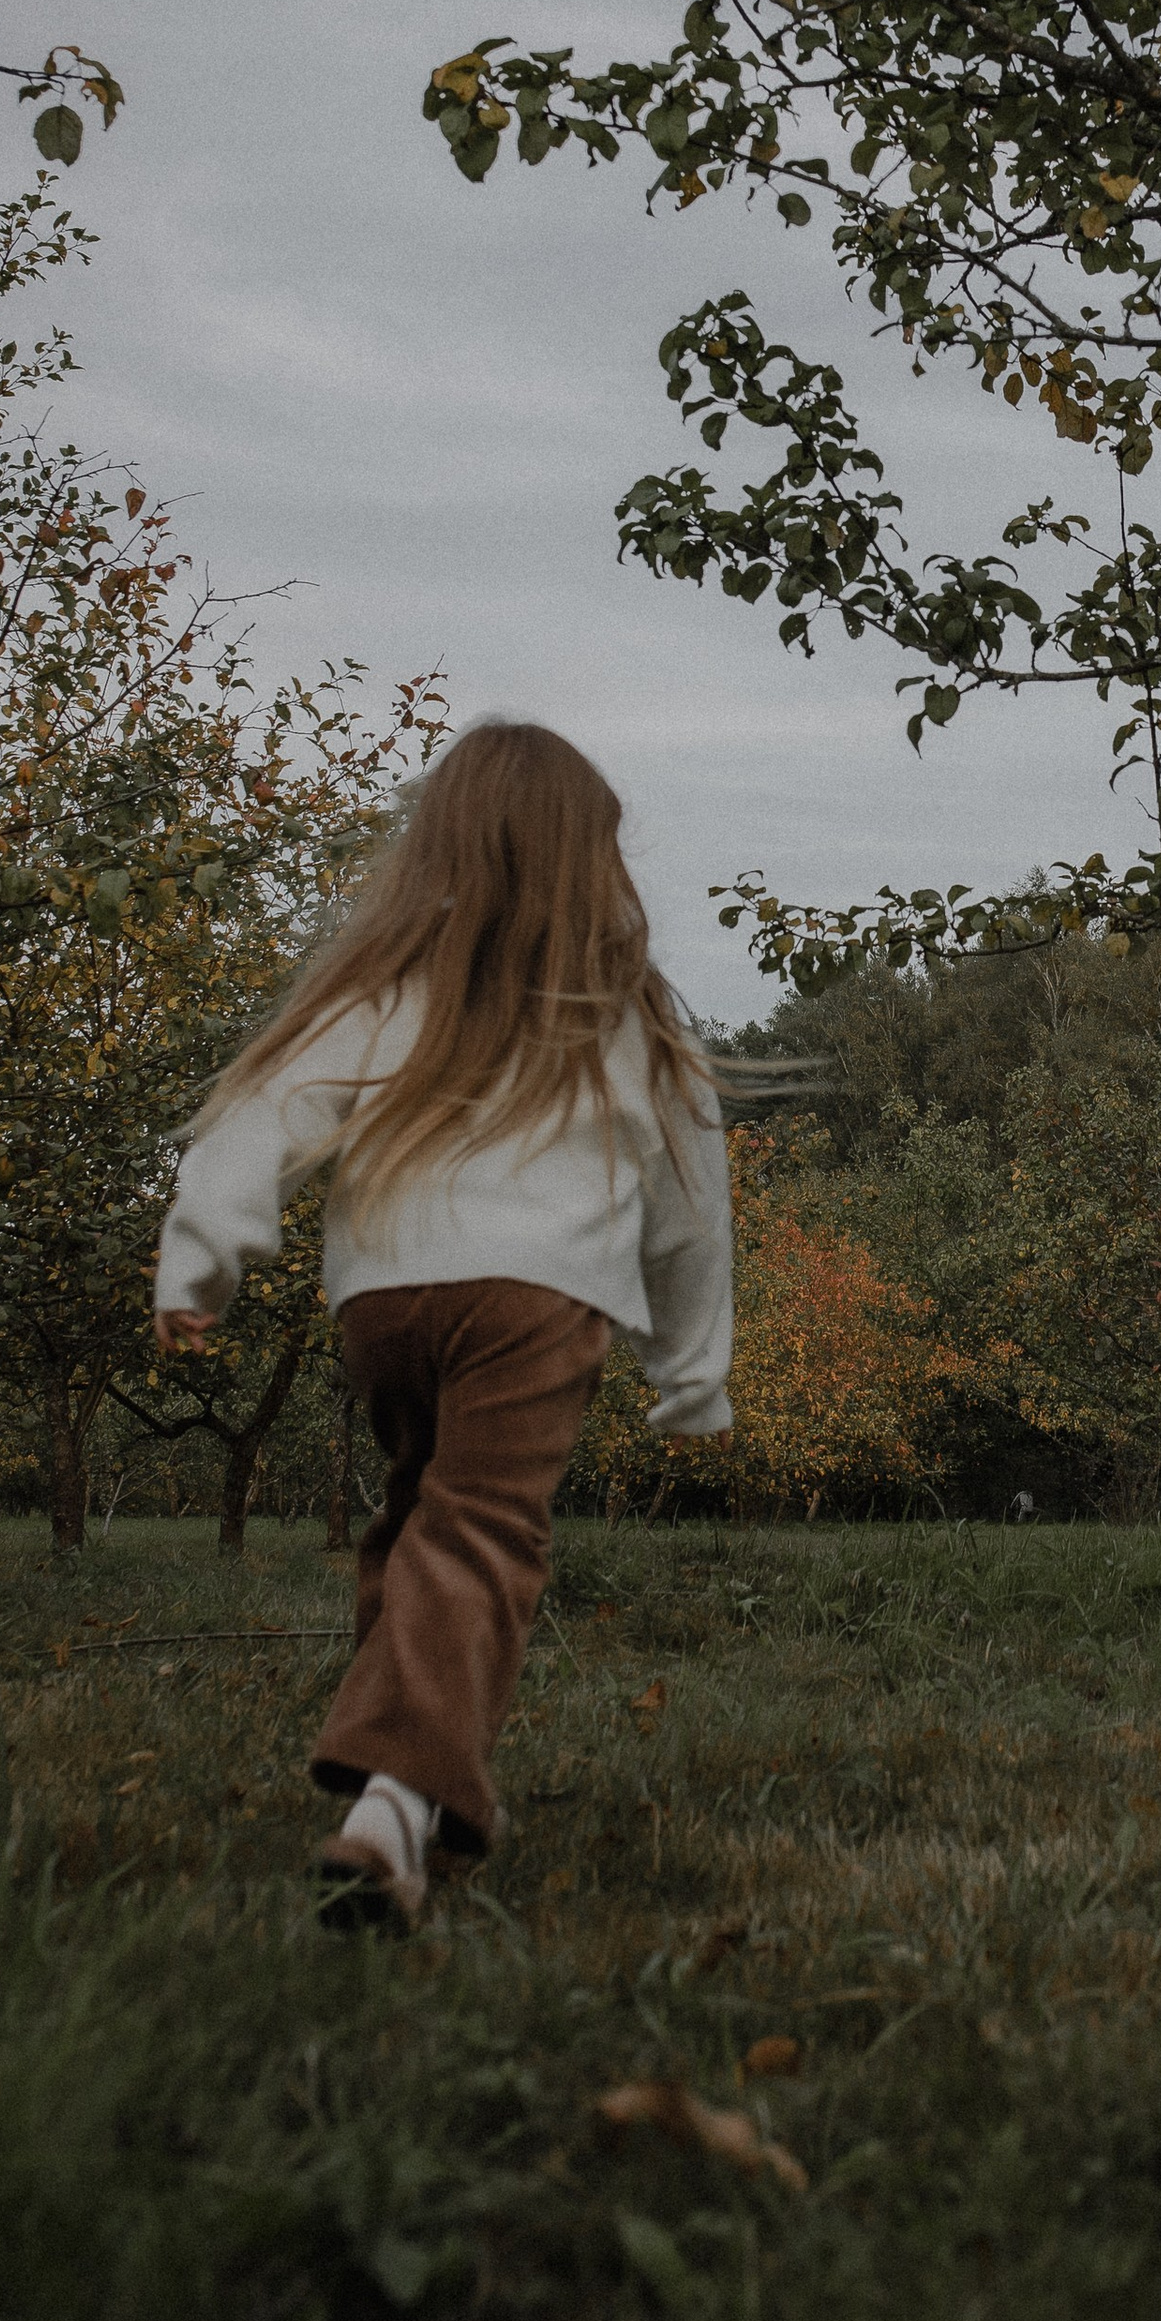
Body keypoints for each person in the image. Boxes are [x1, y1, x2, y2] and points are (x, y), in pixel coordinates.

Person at [150, 720, 732, 1930]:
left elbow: (261, 1115)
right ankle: (396, 1802)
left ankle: (409, 1789)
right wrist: (690, 1372)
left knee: (420, 1517)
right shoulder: (622, 1012)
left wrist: (199, 1264)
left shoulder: (383, 986)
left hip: (388, 1300)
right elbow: (691, 1211)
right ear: (588, 858)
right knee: (481, 1533)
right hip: (537, 1300)